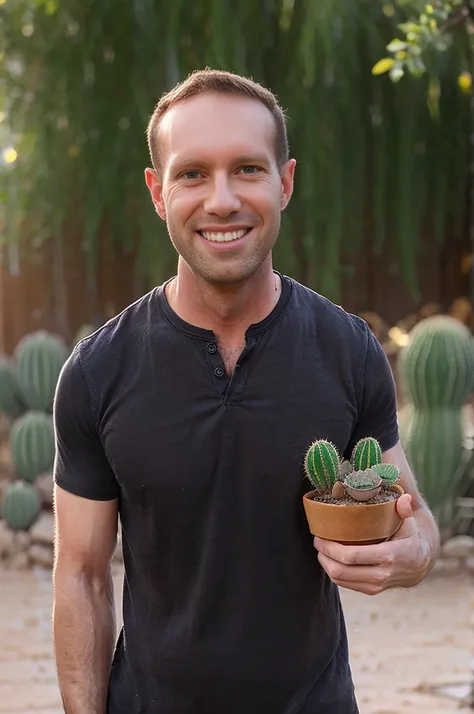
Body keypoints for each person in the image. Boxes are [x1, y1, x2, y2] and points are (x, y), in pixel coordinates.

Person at [52, 69, 440, 714]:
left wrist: (414, 553)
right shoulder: (98, 372)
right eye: (193, 173)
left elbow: (413, 514)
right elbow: (82, 576)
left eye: (248, 170)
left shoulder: (348, 350)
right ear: (158, 191)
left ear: (284, 182)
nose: (223, 200)